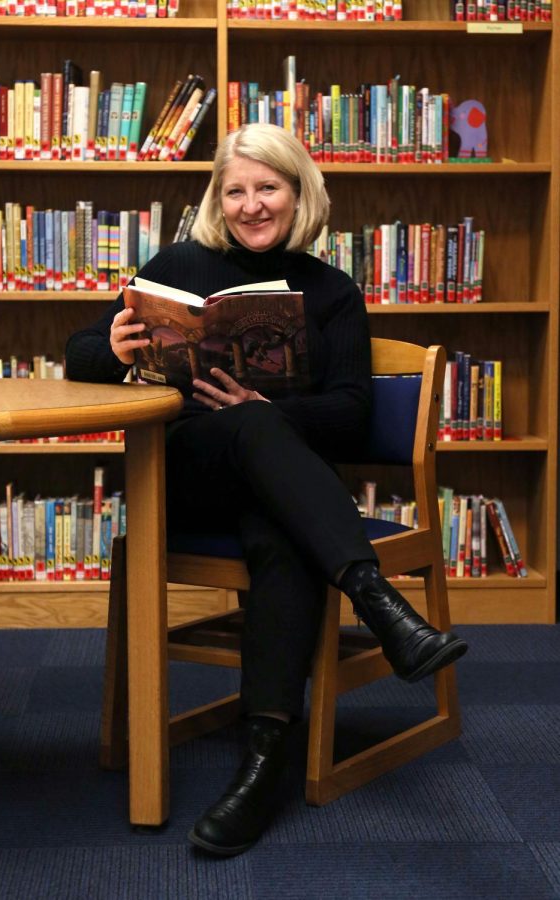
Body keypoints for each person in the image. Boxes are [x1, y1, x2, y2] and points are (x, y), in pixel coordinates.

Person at [65, 123, 468, 857]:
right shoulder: (178, 265)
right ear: (219, 198)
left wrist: (267, 411)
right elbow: (79, 352)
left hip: (276, 497)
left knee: (279, 522)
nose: (252, 205)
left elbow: (351, 412)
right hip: (188, 478)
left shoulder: (332, 291)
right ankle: (378, 601)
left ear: (298, 192)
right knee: (251, 438)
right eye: (236, 190)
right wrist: (114, 351)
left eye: (268, 188)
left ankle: (262, 760)